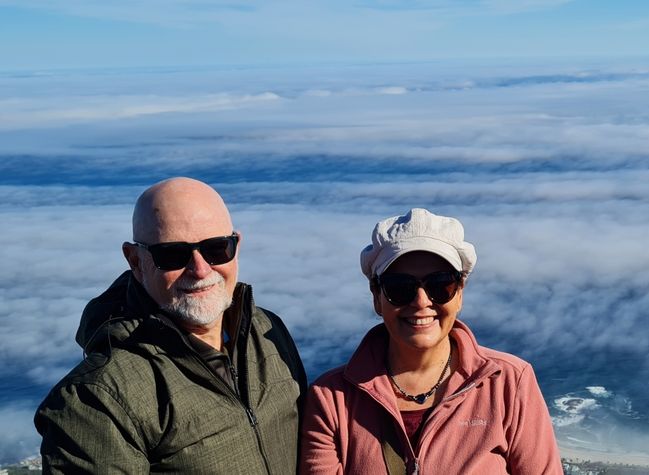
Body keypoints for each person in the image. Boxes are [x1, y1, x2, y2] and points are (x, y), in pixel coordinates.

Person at [35, 177, 307, 473]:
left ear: (236, 247)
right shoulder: (98, 399)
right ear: (136, 260)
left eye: (217, 248)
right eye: (173, 255)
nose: (200, 269)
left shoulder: (267, 331)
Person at [300, 208, 562, 474]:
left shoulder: (509, 382)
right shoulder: (331, 399)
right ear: (376, 296)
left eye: (441, 285)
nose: (422, 301)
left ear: (460, 294)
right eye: (399, 287)